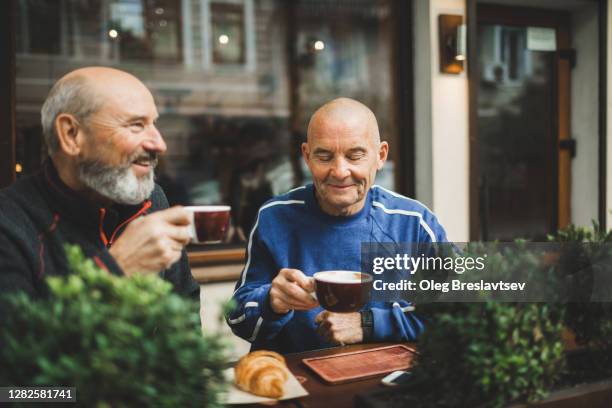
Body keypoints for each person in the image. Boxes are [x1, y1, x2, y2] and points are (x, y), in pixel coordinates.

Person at [227, 98, 448, 353]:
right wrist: (270, 302)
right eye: (324, 156)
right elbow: (238, 320)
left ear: (381, 156)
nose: (340, 171)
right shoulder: (274, 218)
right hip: (295, 382)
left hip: (385, 381)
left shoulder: (413, 222)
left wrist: (368, 324)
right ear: (307, 157)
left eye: (355, 156)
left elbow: (459, 314)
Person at [0, 67, 199, 301]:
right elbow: (18, 336)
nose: (159, 144)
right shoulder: (8, 224)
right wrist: (115, 270)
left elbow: (184, 309)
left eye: (153, 124)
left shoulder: (153, 199)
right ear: (72, 134)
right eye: (136, 125)